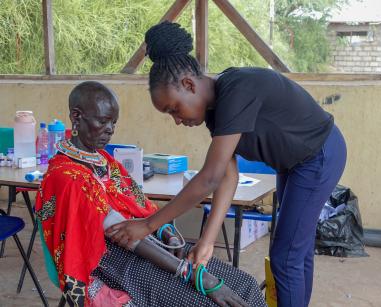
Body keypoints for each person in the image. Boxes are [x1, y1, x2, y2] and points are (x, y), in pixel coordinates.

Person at [107, 21, 347, 307]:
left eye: (174, 108)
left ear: (188, 84)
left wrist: (148, 224)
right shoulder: (215, 112)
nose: (177, 119)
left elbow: (210, 177)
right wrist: (207, 241)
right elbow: (227, 177)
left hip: (317, 155)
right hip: (294, 164)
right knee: (296, 249)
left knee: (286, 255)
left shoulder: (236, 90)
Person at [35, 81, 265, 307]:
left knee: (246, 285)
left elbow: (141, 208)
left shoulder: (105, 161)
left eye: (113, 123)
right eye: (103, 121)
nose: (110, 130)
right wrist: (193, 275)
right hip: (113, 261)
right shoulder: (65, 176)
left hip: (148, 244)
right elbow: (119, 234)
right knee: (207, 300)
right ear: (76, 117)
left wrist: (167, 232)